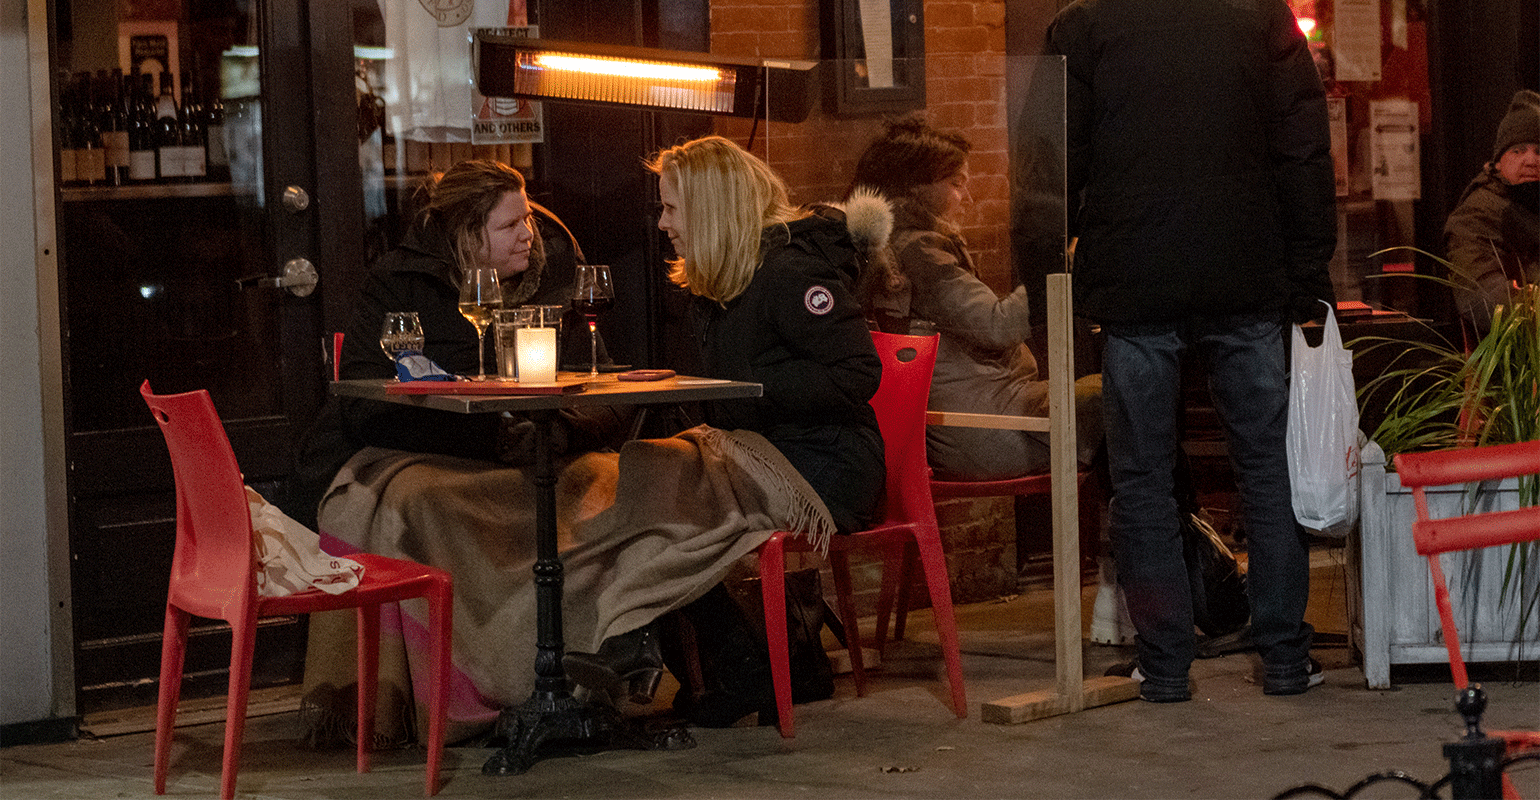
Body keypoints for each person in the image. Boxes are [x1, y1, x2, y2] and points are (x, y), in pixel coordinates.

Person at [1047, 0, 1338, 701]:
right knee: (1266, 471)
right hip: (1246, 271)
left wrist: (1050, 272)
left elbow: (1053, 160)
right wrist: (1307, 270)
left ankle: (1164, 665)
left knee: (1142, 481)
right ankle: (1284, 656)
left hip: (1136, 279)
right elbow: (1301, 148)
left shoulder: (1087, 24)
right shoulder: (1260, 15)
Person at [567, 135, 888, 727]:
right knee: (645, 489)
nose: (662, 223)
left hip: (825, 467)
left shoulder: (790, 272)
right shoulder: (723, 280)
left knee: (658, 496)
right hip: (765, 452)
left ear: (712, 208)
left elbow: (857, 374)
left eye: (671, 208)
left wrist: (749, 387)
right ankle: (741, 662)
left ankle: (726, 662)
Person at [848, 117, 1103, 481]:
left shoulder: (893, 247)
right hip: (986, 429)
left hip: (976, 421)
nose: (966, 198)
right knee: (1124, 394)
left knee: (1112, 396)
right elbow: (997, 325)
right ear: (916, 187)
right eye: (956, 184)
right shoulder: (918, 252)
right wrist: (1065, 265)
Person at [1443, 89, 1539, 338]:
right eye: (1518, 150)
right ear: (1498, 162)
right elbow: (1483, 300)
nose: (1531, 160)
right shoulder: (1475, 216)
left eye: (1539, 151)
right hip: (1516, 356)